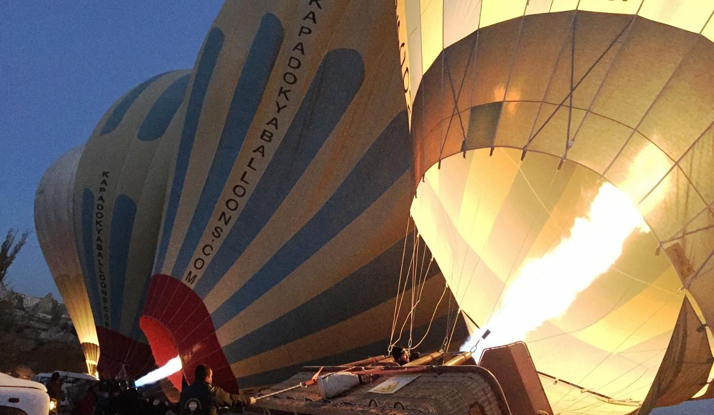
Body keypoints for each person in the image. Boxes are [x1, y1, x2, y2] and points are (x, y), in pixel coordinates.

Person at [179, 364, 250, 415]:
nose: (211, 379)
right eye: (211, 376)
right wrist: (248, 400)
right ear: (207, 378)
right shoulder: (213, 392)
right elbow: (232, 399)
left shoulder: (184, 392)